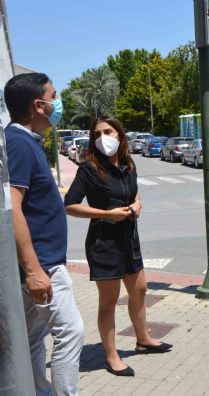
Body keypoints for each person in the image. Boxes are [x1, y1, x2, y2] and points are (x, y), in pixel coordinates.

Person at [4, 73, 85, 396]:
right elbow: (13, 207)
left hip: (40, 264)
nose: (58, 102)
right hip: (42, 266)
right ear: (39, 105)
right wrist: (35, 270)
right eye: (54, 96)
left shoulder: (25, 141)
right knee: (71, 332)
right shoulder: (19, 143)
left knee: (34, 339)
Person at [64, 116, 172, 377]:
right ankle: (112, 356)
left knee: (140, 290)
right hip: (104, 241)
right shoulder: (89, 169)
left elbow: (134, 193)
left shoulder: (127, 164)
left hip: (129, 237)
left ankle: (143, 338)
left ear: (120, 134)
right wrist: (106, 213)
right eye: (97, 134)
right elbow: (70, 204)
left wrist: (137, 205)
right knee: (109, 301)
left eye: (108, 131)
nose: (103, 138)